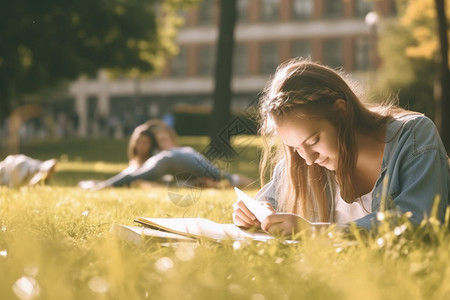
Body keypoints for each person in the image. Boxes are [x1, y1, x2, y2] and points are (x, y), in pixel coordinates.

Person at [233, 58, 450, 235]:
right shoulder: (301, 160)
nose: (308, 158)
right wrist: (253, 214)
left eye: (313, 141)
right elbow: (265, 205)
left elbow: (419, 221)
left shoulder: (413, 136)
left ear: (341, 112)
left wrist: (315, 232)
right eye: (296, 147)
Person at [79, 119, 253, 190]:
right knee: (225, 177)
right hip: (187, 158)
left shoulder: (162, 156)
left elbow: (137, 174)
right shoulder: (163, 158)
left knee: (132, 176)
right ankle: (97, 185)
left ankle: (98, 186)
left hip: (179, 158)